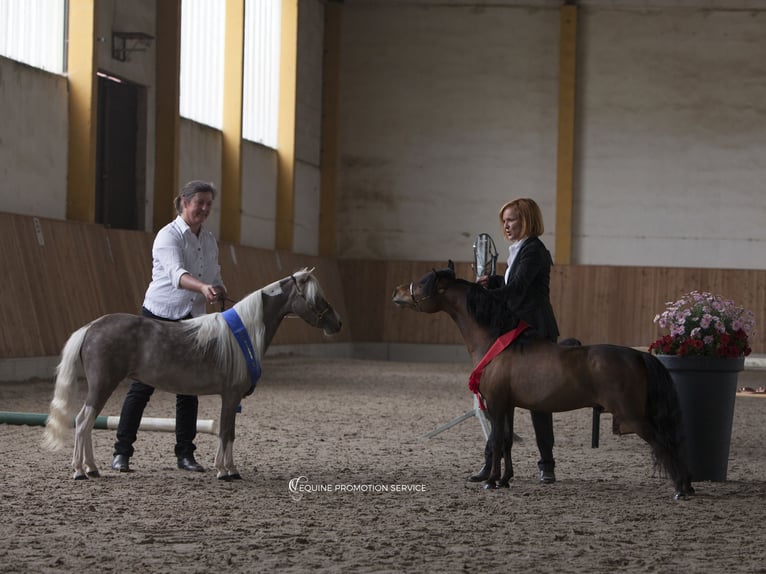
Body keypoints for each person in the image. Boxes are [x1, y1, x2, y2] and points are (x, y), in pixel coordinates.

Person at [112, 180, 226, 473]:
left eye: (208, 203)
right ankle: (121, 452)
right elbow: (177, 275)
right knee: (142, 385)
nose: (204, 208)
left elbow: (214, 274)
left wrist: (219, 290)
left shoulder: (209, 240)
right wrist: (203, 287)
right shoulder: (168, 236)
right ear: (184, 202)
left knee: (189, 388)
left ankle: (185, 455)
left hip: (193, 319)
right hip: (159, 316)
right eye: (199, 202)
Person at [470, 197, 560, 484]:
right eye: (505, 221)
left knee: (540, 402)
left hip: (534, 329)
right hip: (517, 326)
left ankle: (546, 463)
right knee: (501, 396)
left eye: (511, 220)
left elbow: (519, 289)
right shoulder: (521, 249)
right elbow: (513, 284)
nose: (506, 226)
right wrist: (494, 282)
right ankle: (493, 460)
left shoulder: (533, 250)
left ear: (527, 221)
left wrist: (484, 295)